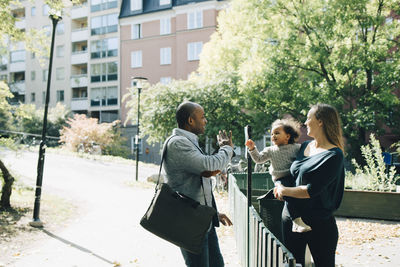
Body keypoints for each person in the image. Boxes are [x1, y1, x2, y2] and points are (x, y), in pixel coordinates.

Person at [163, 101, 233, 267]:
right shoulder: (178, 143)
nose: (205, 121)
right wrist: (226, 149)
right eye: (202, 117)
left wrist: (213, 214)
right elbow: (208, 166)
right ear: (190, 120)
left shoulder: (189, 141)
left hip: (202, 219)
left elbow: (205, 174)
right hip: (189, 222)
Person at [274, 104, 345, 267]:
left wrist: (284, 190)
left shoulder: (334, 155)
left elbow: (310, 190)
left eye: (308, 118)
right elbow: (290, 173)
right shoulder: (305, 146)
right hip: (291, 218)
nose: (305, 123)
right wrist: (279, 185)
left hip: (319, 223)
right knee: (293, 265)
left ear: (320, 122)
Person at [245, 118, 311, 233]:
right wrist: (252, 149)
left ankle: (303, 217)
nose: (273, 136)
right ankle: (296, 221)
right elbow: (259, 159)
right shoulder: (270, 150)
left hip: (293, 177)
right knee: (286, 194)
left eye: (277, 133)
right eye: (272, 134)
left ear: (288, 136)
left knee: (298, 193)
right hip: (280, 179)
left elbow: (305, 157)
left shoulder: (297, 148)